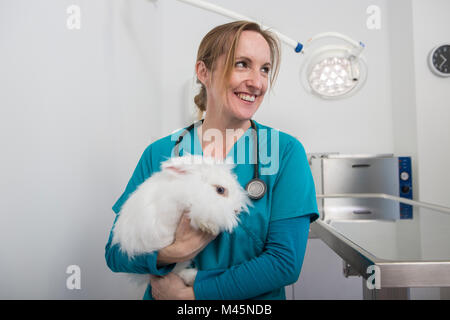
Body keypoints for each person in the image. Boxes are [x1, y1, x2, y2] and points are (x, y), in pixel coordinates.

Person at [105, 20, 319, 300]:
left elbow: (284, 263)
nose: (256, 82)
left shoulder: (285, 153)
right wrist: (174, 252)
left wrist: (195, 294)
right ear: (203, 72)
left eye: (264, 69)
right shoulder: (160, 153)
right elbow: (116, 253)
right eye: (242, 64)